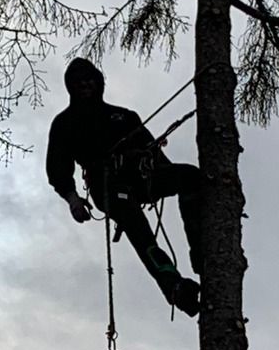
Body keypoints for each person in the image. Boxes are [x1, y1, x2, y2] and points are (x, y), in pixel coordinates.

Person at [46, 57, 202, 317]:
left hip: (142, 177)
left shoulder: (124, 116)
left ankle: (201, 251)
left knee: (190, 177)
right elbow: (58, 168)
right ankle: (173, 286)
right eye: (78, 82)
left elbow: (156, 155)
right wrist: (73, 199)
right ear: (70, 87)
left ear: (98, 82)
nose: (85, 85)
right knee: (140, 232)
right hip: (107, 185)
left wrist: (160, 170)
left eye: (89, 79)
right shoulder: (65, 123)